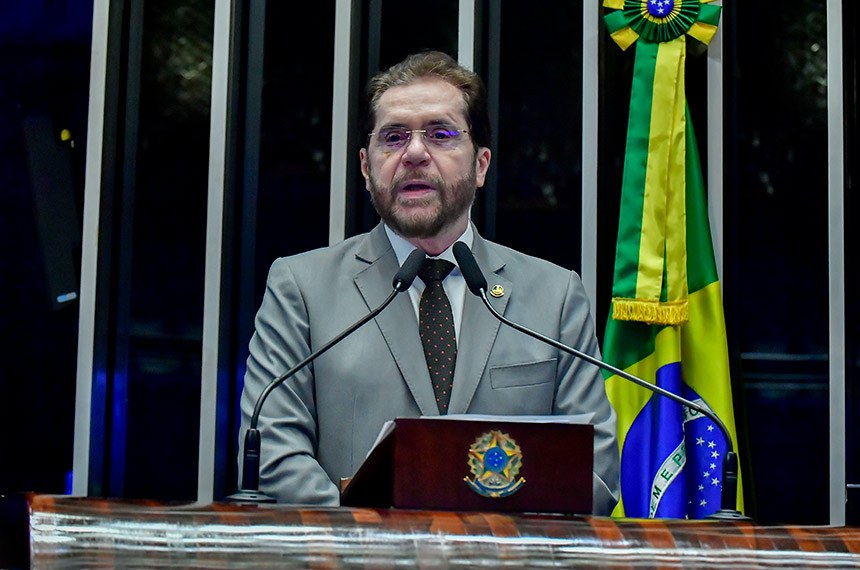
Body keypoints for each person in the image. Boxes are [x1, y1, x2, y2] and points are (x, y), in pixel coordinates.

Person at [239, 50, 620, 514]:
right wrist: (380, 545)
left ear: (481, 165)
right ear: (365, 166)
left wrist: (490, 549)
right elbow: (276, 456)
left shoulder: (555, 296)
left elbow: (594, 470)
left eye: (440, 134)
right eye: (394, 137)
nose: (415, 153)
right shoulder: (301, 288)